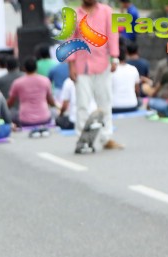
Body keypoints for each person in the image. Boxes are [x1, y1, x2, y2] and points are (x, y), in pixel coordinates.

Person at [67, 0, 121, 149]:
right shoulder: (73, 15)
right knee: (82, 104)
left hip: (103, 64)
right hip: (81, 66)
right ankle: (82, 139)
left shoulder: (107, 11)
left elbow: (113, 34)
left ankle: (106, 137)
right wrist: (71, 65)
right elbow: (70, 40)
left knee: (105, 102)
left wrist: (115, 57)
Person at [7, 57, 56, 129]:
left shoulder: (17, 83)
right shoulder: (45, 80)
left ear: (24, 68)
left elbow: (10, 103)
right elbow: (51, 102)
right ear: (36, 68)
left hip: (25, 119)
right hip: (44, 117)